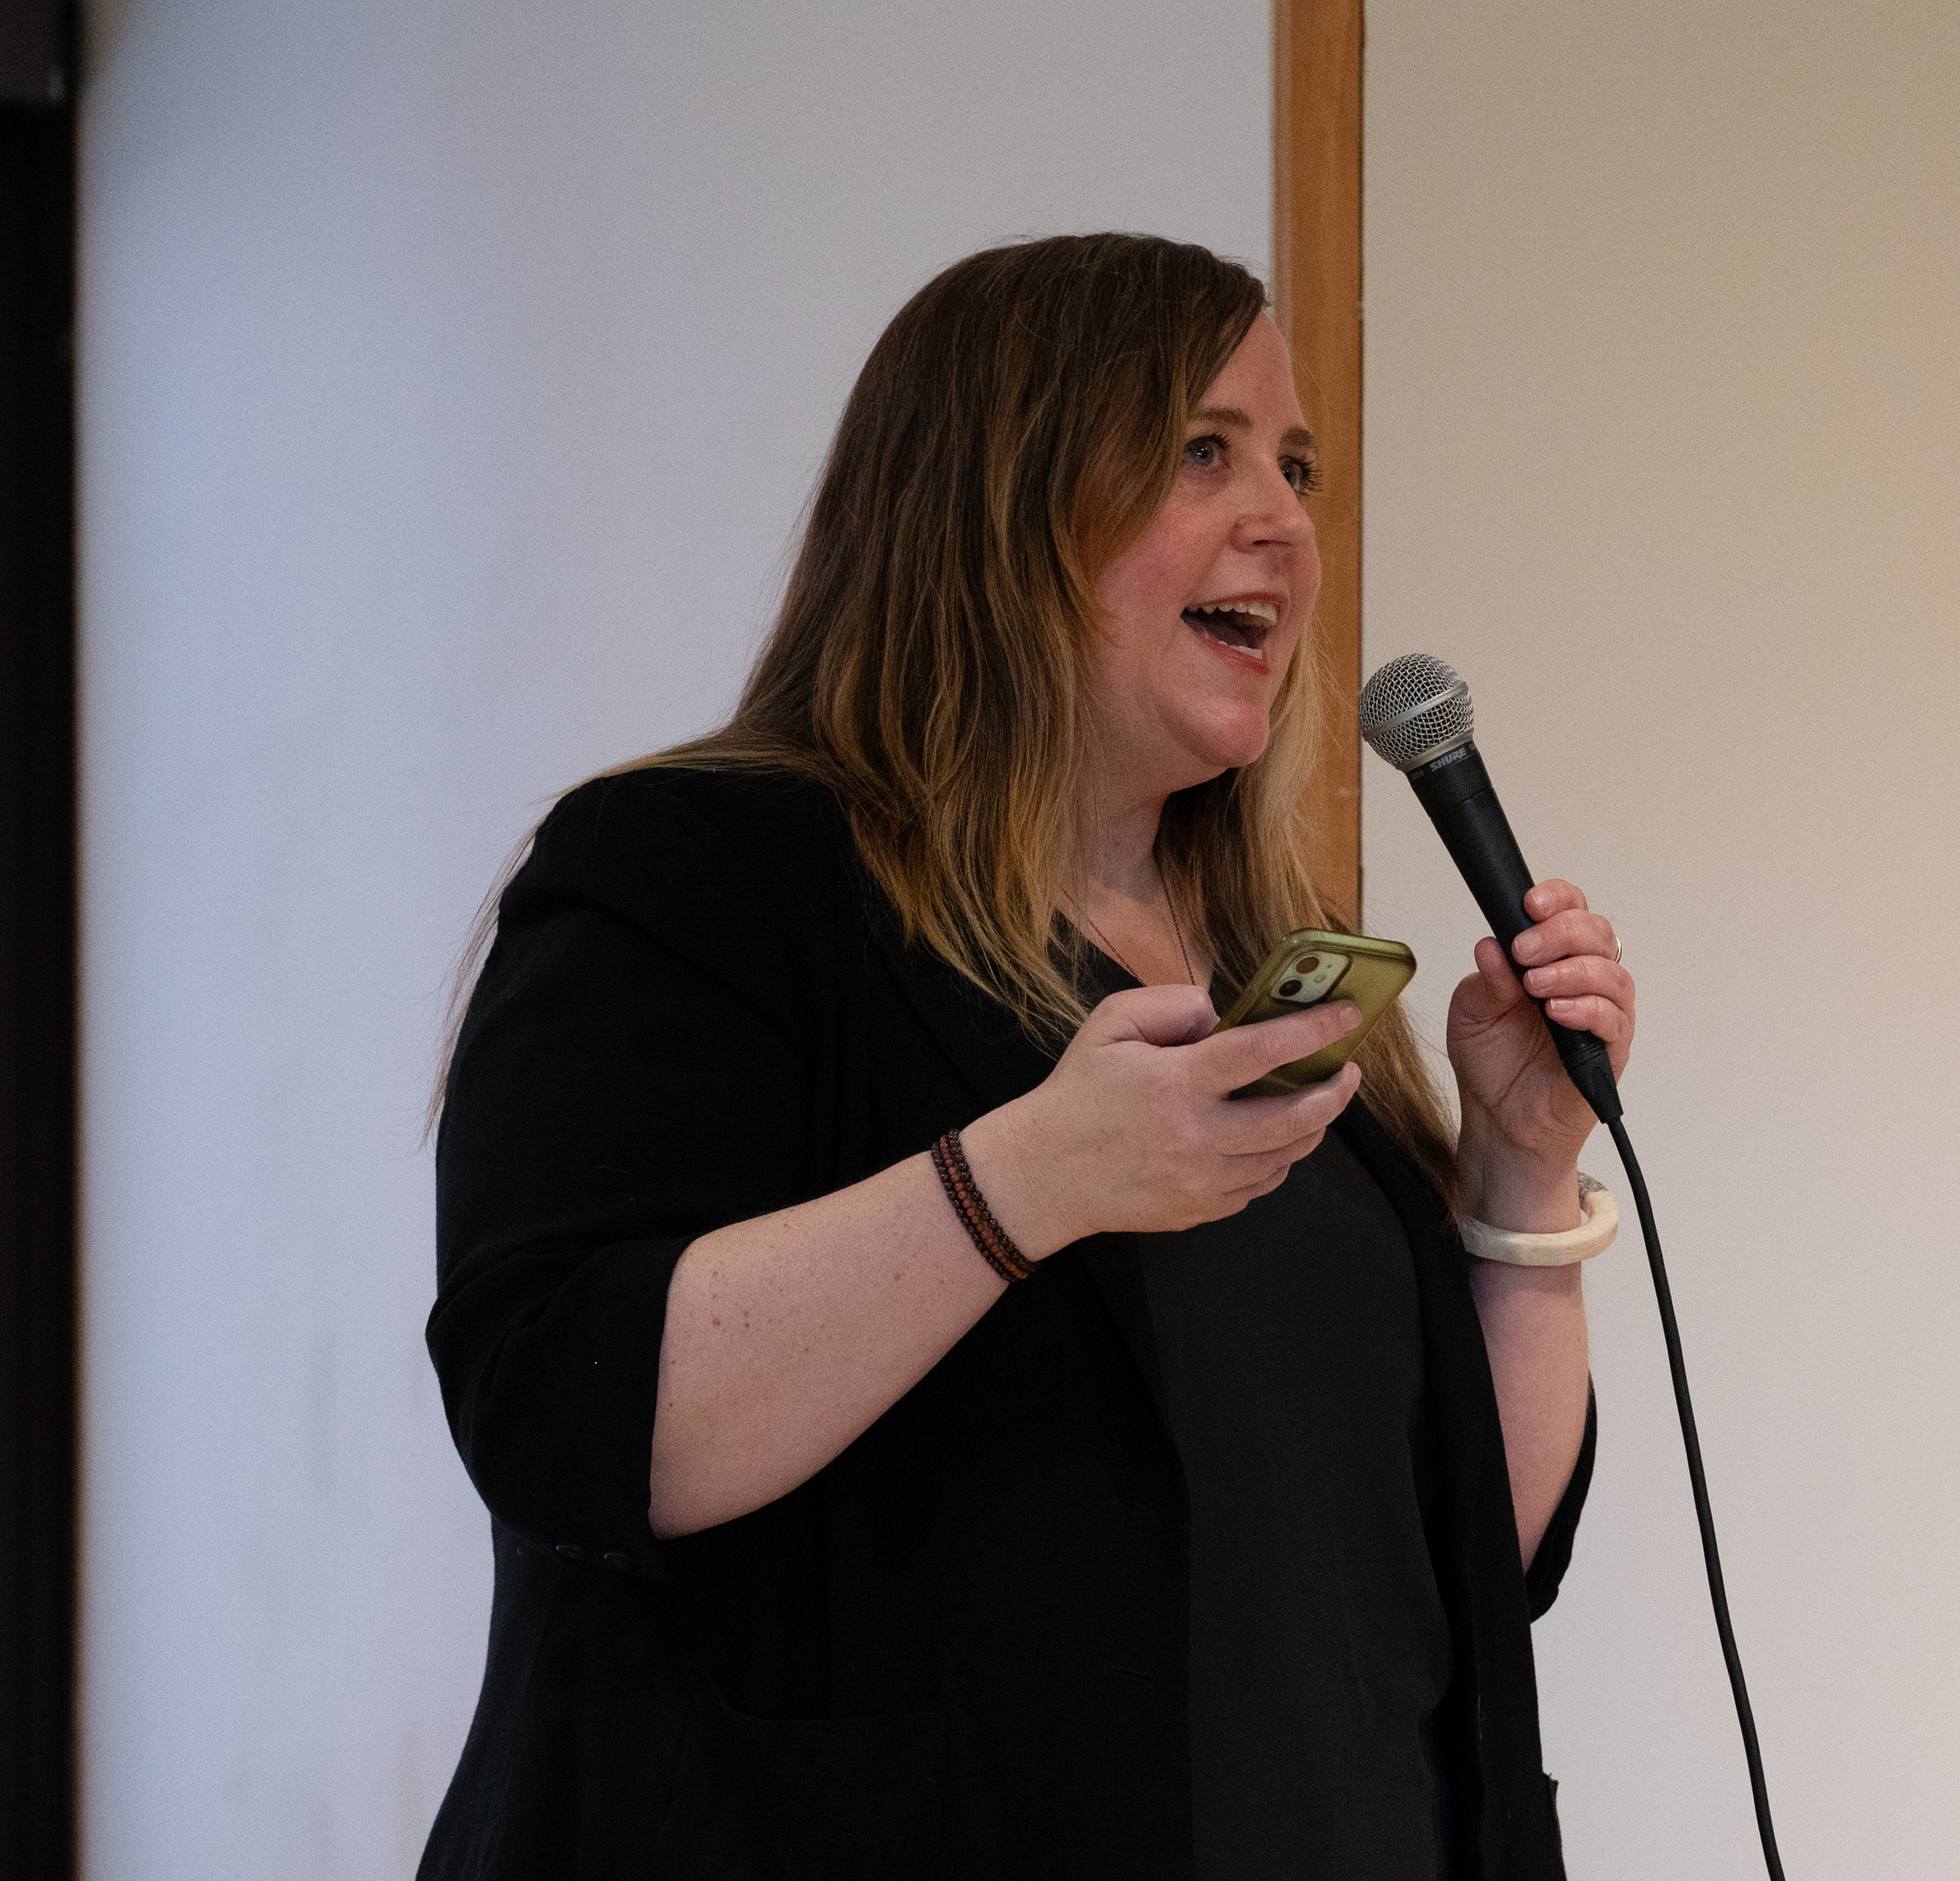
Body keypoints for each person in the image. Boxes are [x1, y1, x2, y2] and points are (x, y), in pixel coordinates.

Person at [420, 233, 1634, 1881]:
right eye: (1200, 450)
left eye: (1294, 467)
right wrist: (1030, 1181)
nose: (1283, 523)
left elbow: (1467, 1567)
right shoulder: (700, 871)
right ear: (997, 503)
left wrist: (1522, 1172)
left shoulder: (1263, 963)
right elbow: (562, 1409)